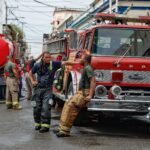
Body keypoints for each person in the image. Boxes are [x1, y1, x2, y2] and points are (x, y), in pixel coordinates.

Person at [53, 54, 96, 137]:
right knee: (67, 105)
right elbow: (72, 63)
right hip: (81, 92)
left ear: (85, 60)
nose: (79, 60)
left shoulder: (88, 68)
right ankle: (61, 128)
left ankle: (64, 131)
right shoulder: (86, 67)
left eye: (81, 58)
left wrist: (90, 95)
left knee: (71, 108)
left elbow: (93, 81)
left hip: (84, 92)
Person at [29, 52, 61, 133]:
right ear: (42, 58)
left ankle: (45, 126)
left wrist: (74, 61)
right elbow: (30, 73)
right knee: (36, 108)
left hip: (47, 90)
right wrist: (33, 81)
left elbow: (65, 62)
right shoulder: (37, 65)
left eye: (49, 57)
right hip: (37, 89)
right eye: (46, 57)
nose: (48, 59)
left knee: (46, 107)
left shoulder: (53, 64)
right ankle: (38, 123)